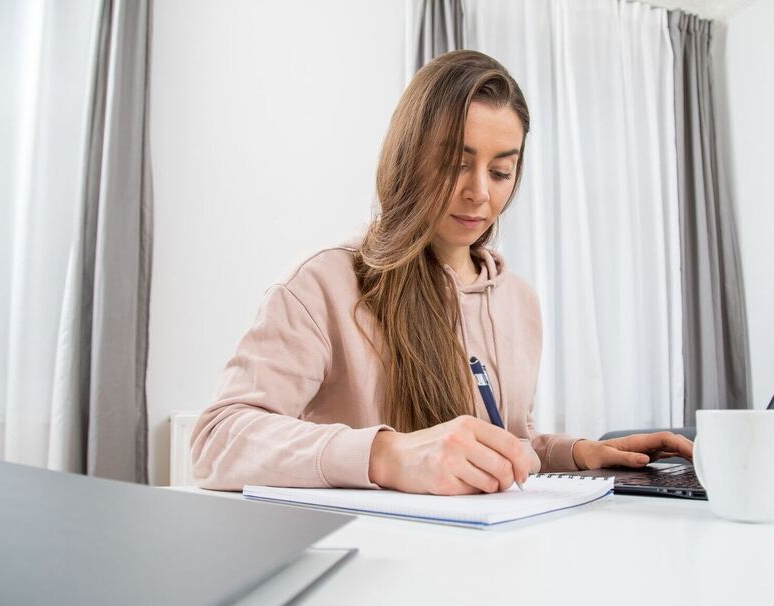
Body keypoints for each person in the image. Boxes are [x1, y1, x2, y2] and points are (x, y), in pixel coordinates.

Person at [190, 50, 693, 495]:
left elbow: (504, 438)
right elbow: (217, 441)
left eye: (501, 171)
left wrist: (578, 453)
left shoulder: (519, 301)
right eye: (456, 163)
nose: (480, 192)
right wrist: (386, 456)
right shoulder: (323, 285)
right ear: (409, 158)